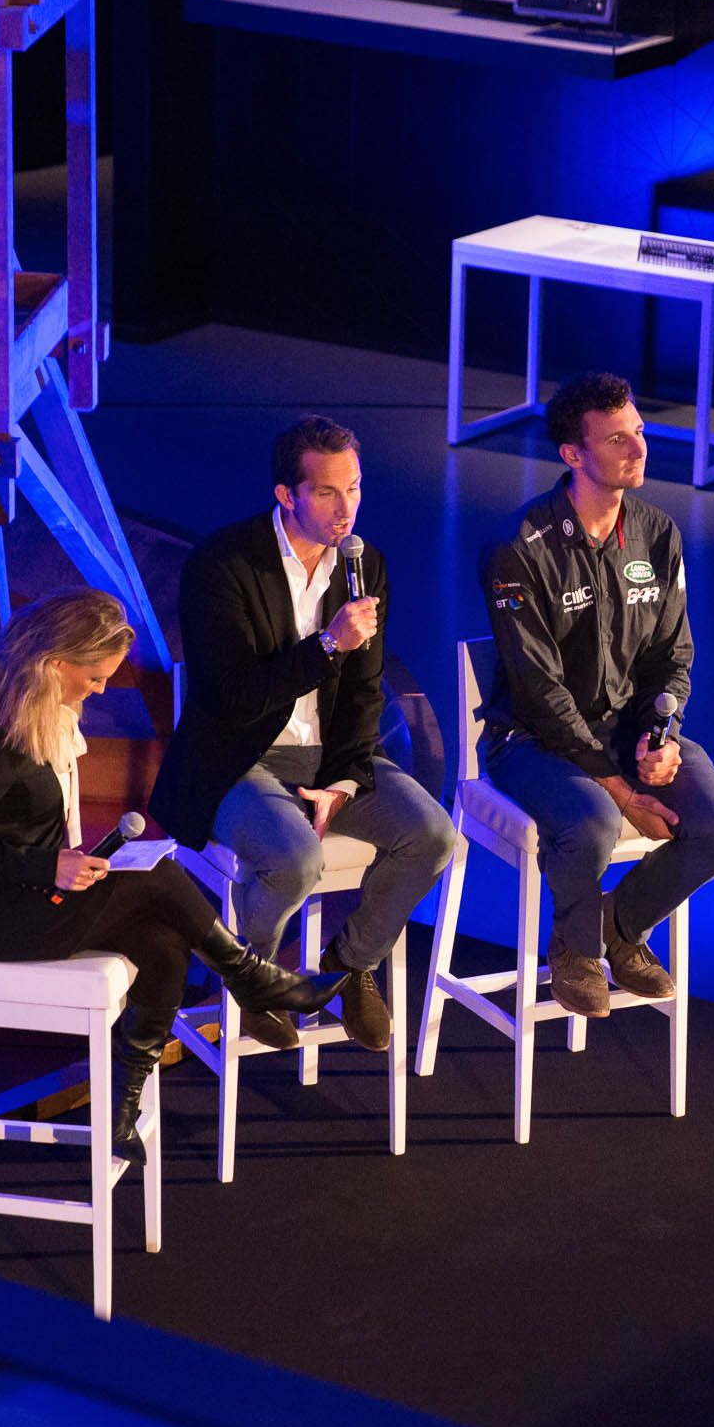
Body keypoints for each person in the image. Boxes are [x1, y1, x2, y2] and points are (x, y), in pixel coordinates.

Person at [0, 589, 343, 1157]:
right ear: (55, 664)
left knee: (165, 943)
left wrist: (53, 867)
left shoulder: (23, 695)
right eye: (94, 678)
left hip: (28, 890)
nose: (99, 691)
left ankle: (120, 1108)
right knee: (158, 879)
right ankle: (253, 978)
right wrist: (49, 865)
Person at [148, 415, 456, 1052]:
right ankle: (254, 976)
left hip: (329, 756)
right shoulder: (223, 564)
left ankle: (349, 967)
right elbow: (232, 697)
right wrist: (327, 645)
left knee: (432, 836)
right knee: (295, 860)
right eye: (327, 492)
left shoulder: (364, 566)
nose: (347, 509)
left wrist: (343, 780)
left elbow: (365, 690)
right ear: (286, 494)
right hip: (240, 756)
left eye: (355, 488)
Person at [477, 372, 714, 1018]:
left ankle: (618, 927)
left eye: (640, 433)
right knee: (594, 822)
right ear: (573, 454)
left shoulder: (657, 533)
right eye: (617, 439)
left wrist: (660, 736)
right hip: (533, 743)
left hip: (625, 730)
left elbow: (672, 656)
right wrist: (620, 788)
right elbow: (538, 690)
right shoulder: (517, 549)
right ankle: (574, 952)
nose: (639, 449)